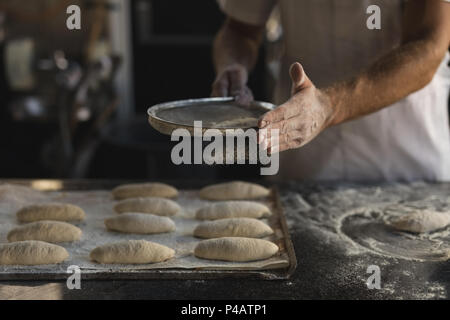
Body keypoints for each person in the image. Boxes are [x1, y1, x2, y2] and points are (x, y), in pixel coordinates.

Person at [211, 0, 450, 182]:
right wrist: (233, 63)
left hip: (407, 160)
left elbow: (428, 44)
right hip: (304, 161)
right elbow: (240, 30)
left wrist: (328, 106)